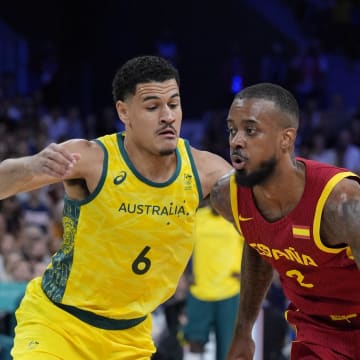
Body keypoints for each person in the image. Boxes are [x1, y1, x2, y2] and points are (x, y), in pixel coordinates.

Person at [0, 55, 232, 359]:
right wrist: (31, 164)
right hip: (58, 324)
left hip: (130, 336)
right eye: (152, 107)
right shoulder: (90, 158)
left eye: (173, 104)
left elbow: (265, 224)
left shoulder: (207, 171)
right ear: (124, 112)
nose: (167, 116)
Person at [210, 82, 360, 359]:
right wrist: (244, 332)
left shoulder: (343, 205)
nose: (236, 141)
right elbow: (257, 242)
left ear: (286, 139)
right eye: (232, 130)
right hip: (316, 330)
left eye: (250, 130)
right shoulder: (226, 196)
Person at [183, 197, 243, 360]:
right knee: (194, 343)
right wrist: (185, 274)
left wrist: (244, 273)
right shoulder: (198, 217)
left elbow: (252, 250)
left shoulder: (237, 220)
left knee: (227, 347)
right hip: (200, 289)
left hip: (230, 290)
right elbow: (182, 247)